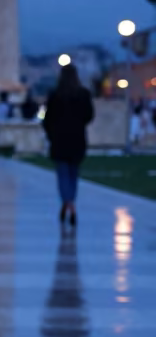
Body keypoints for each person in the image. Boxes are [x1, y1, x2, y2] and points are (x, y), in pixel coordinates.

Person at [43, 64, 94, 226]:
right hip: (77, 139)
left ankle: (67, 203)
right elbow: (89, 115)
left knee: (63, 174)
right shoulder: (83, 94)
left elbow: (47, 119)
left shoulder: (55, 95)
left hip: (59, 140)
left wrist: (51, 134)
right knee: (73, 174)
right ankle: (71, 203)